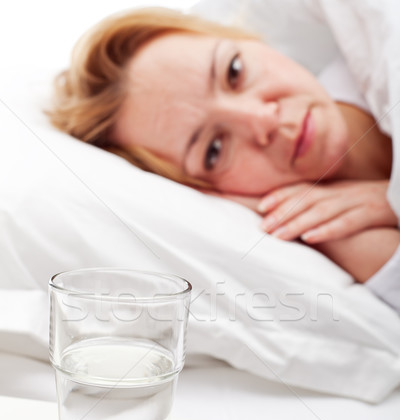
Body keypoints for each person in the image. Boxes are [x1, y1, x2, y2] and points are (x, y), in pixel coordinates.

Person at [49, 8, 400, 307]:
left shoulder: (380, 47)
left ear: (249, 39)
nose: (263, 119)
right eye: (214, 150)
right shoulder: (325, 227)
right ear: (210, 192)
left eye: (233, 71)